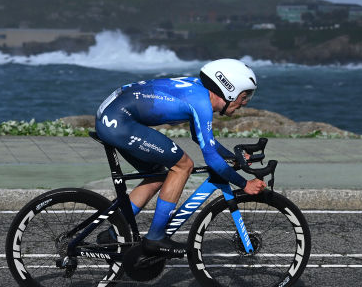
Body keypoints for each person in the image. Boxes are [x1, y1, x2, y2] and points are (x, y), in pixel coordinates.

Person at [94, 58, 267, 257]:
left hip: (113, 115)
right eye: (243, 96)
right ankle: (155, 238)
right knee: (183, 166)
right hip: (118, 121)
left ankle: (114, 233)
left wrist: (229, 157)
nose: (243, 103)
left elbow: (200, 138)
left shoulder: (199, 90)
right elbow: (210, 158)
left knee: (156, 174)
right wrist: (244, 184)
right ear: (229, 89)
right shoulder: (201, 103)